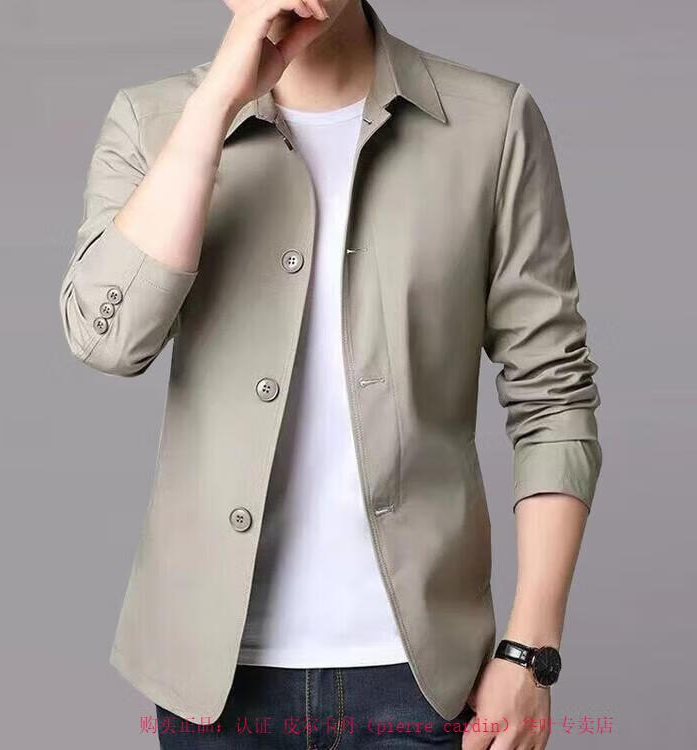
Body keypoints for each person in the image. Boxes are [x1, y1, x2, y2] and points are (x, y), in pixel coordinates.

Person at [59, 0, 603, 747]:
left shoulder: (491, 125)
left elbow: (553, 396)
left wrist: (530, 654)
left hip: (424, 681)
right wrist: (215, 104)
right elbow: (108, 340)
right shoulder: (153, 121)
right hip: (212, 686)